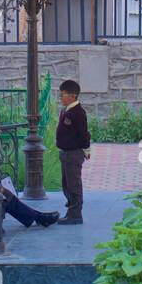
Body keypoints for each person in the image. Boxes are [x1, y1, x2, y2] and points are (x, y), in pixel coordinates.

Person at [56, 79, 91, 224]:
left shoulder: (78, 112)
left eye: (63, 95)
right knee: (66, 184)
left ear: (72, 95)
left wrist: (86, 148)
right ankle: (71, 209)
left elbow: (83, 133)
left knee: (73, 184)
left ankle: (76, 214)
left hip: (73, 153)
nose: (61, 98)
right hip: (65, 153)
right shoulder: (66, 110)